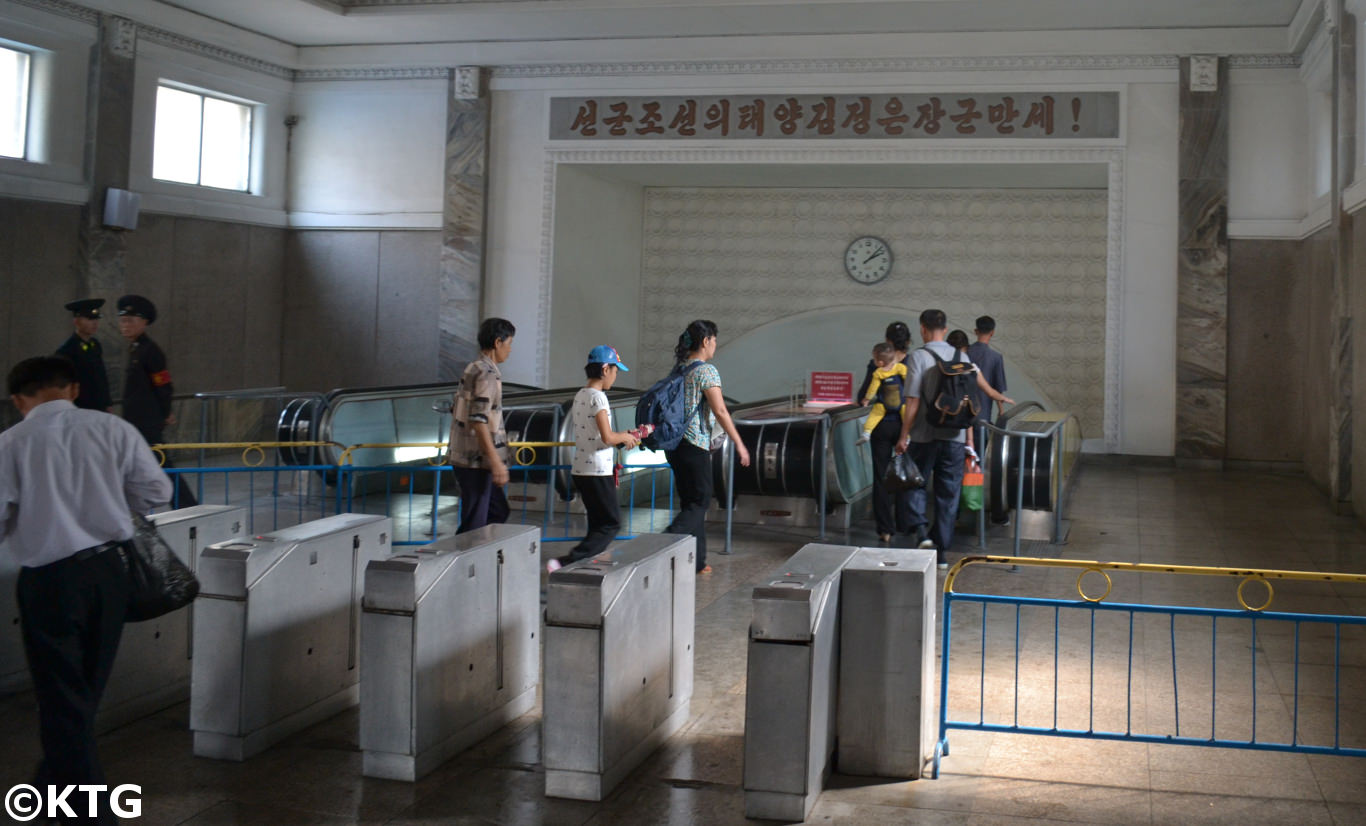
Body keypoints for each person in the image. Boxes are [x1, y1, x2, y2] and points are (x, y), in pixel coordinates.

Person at [0, 356, 171, 823]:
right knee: (85, 688)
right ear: (73, 389)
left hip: (50, 580)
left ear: (19, 400)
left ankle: (88, 808)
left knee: (62, 693)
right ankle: (50, 785)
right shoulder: (113, 429)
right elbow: (156, 494)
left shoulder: (11, 443)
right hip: (111, 573)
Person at [896, 309, 1013, 565]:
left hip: (924, 436)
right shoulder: (962, 356)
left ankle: (920, 531)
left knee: (914, 483)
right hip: (955, 438)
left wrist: (903, 435)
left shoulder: (918, 357)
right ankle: (941, 553)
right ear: (946, 329)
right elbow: (975, 393)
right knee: (948, 496)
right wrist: (997, 398)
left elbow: (912, 402)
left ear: (923, 329)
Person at [664, 320, 751, 574]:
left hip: (674, 447)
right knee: (699, 502)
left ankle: (698, 561)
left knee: (691, 502)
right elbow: (721, 411)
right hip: (694, 445)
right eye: (714, 340)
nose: (715, 345)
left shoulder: (679, 369)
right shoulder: (706, 371)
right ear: (705, 341)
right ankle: (661, 543)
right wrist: (739, 442)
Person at [547, 345, 642, 572]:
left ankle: (586, 565)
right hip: (598, 470)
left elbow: (596, 435)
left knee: (597, 524)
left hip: (581, 468)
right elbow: (607, 437)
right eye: (615, 370)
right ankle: (567, 562)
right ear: (605, 369)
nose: (615, 376)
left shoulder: (581, 394)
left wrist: (621, 437)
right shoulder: (599, 398)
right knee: (611, 524)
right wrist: (628, 437)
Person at [117, 294, 196, 507]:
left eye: (131, 321)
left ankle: (187, 506)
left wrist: (164, 413)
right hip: (137, 422)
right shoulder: (135, 349)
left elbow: (163, 385)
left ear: (144, 322)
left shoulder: (150, 351)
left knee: (163, 465)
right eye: (123, 320)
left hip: (147, 423)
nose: (125, 325)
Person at [449, 317, 515, 534]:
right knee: (474, 524)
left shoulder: (475, 368)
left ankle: (476, 557)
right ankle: (461, 562)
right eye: (509, 343)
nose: (510, 350)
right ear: (498, 342)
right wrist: (496, 461)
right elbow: (479, 420)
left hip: (470, 459)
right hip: (475, 462)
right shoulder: (486, 373)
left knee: (496, 512)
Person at [857, 320, 915, 544]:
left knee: (881, 476)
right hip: (905, 424)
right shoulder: (910, 362)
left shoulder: (877, 364)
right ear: (908, 341)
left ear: (887, 341)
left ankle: (885, 529)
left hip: (881, 426)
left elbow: (864, 394)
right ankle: (905, 522)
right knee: (905, 473)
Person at [966, 316, 1009, 522]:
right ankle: (975, 507)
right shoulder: (995, 357)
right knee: (979, 463)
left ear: (975, 331)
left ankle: (959, 508)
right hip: (982, 419)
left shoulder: (965, 354)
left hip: (962, 418)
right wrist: (1001, 411)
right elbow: (998, 390)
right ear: (992, 333)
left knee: (959, 462)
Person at [55, 298, 112, 412]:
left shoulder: (95, 345)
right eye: (89, 319)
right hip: (80, 407)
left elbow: (101, 377)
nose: (94, 323)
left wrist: (107, 403)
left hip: (99, 406)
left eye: (96, 319)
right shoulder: (67, 350)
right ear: (76, 321)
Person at [856, 342, 907, 446]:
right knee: (906, 417)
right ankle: (908, 436)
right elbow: (908, 379)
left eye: (874, 359)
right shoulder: (900, 368)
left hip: (884, 404)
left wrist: (866, 399)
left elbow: (872, 389)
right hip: (901, 403)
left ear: (880, 362)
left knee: (875, 415)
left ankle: (866, 432)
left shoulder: (878, 373)